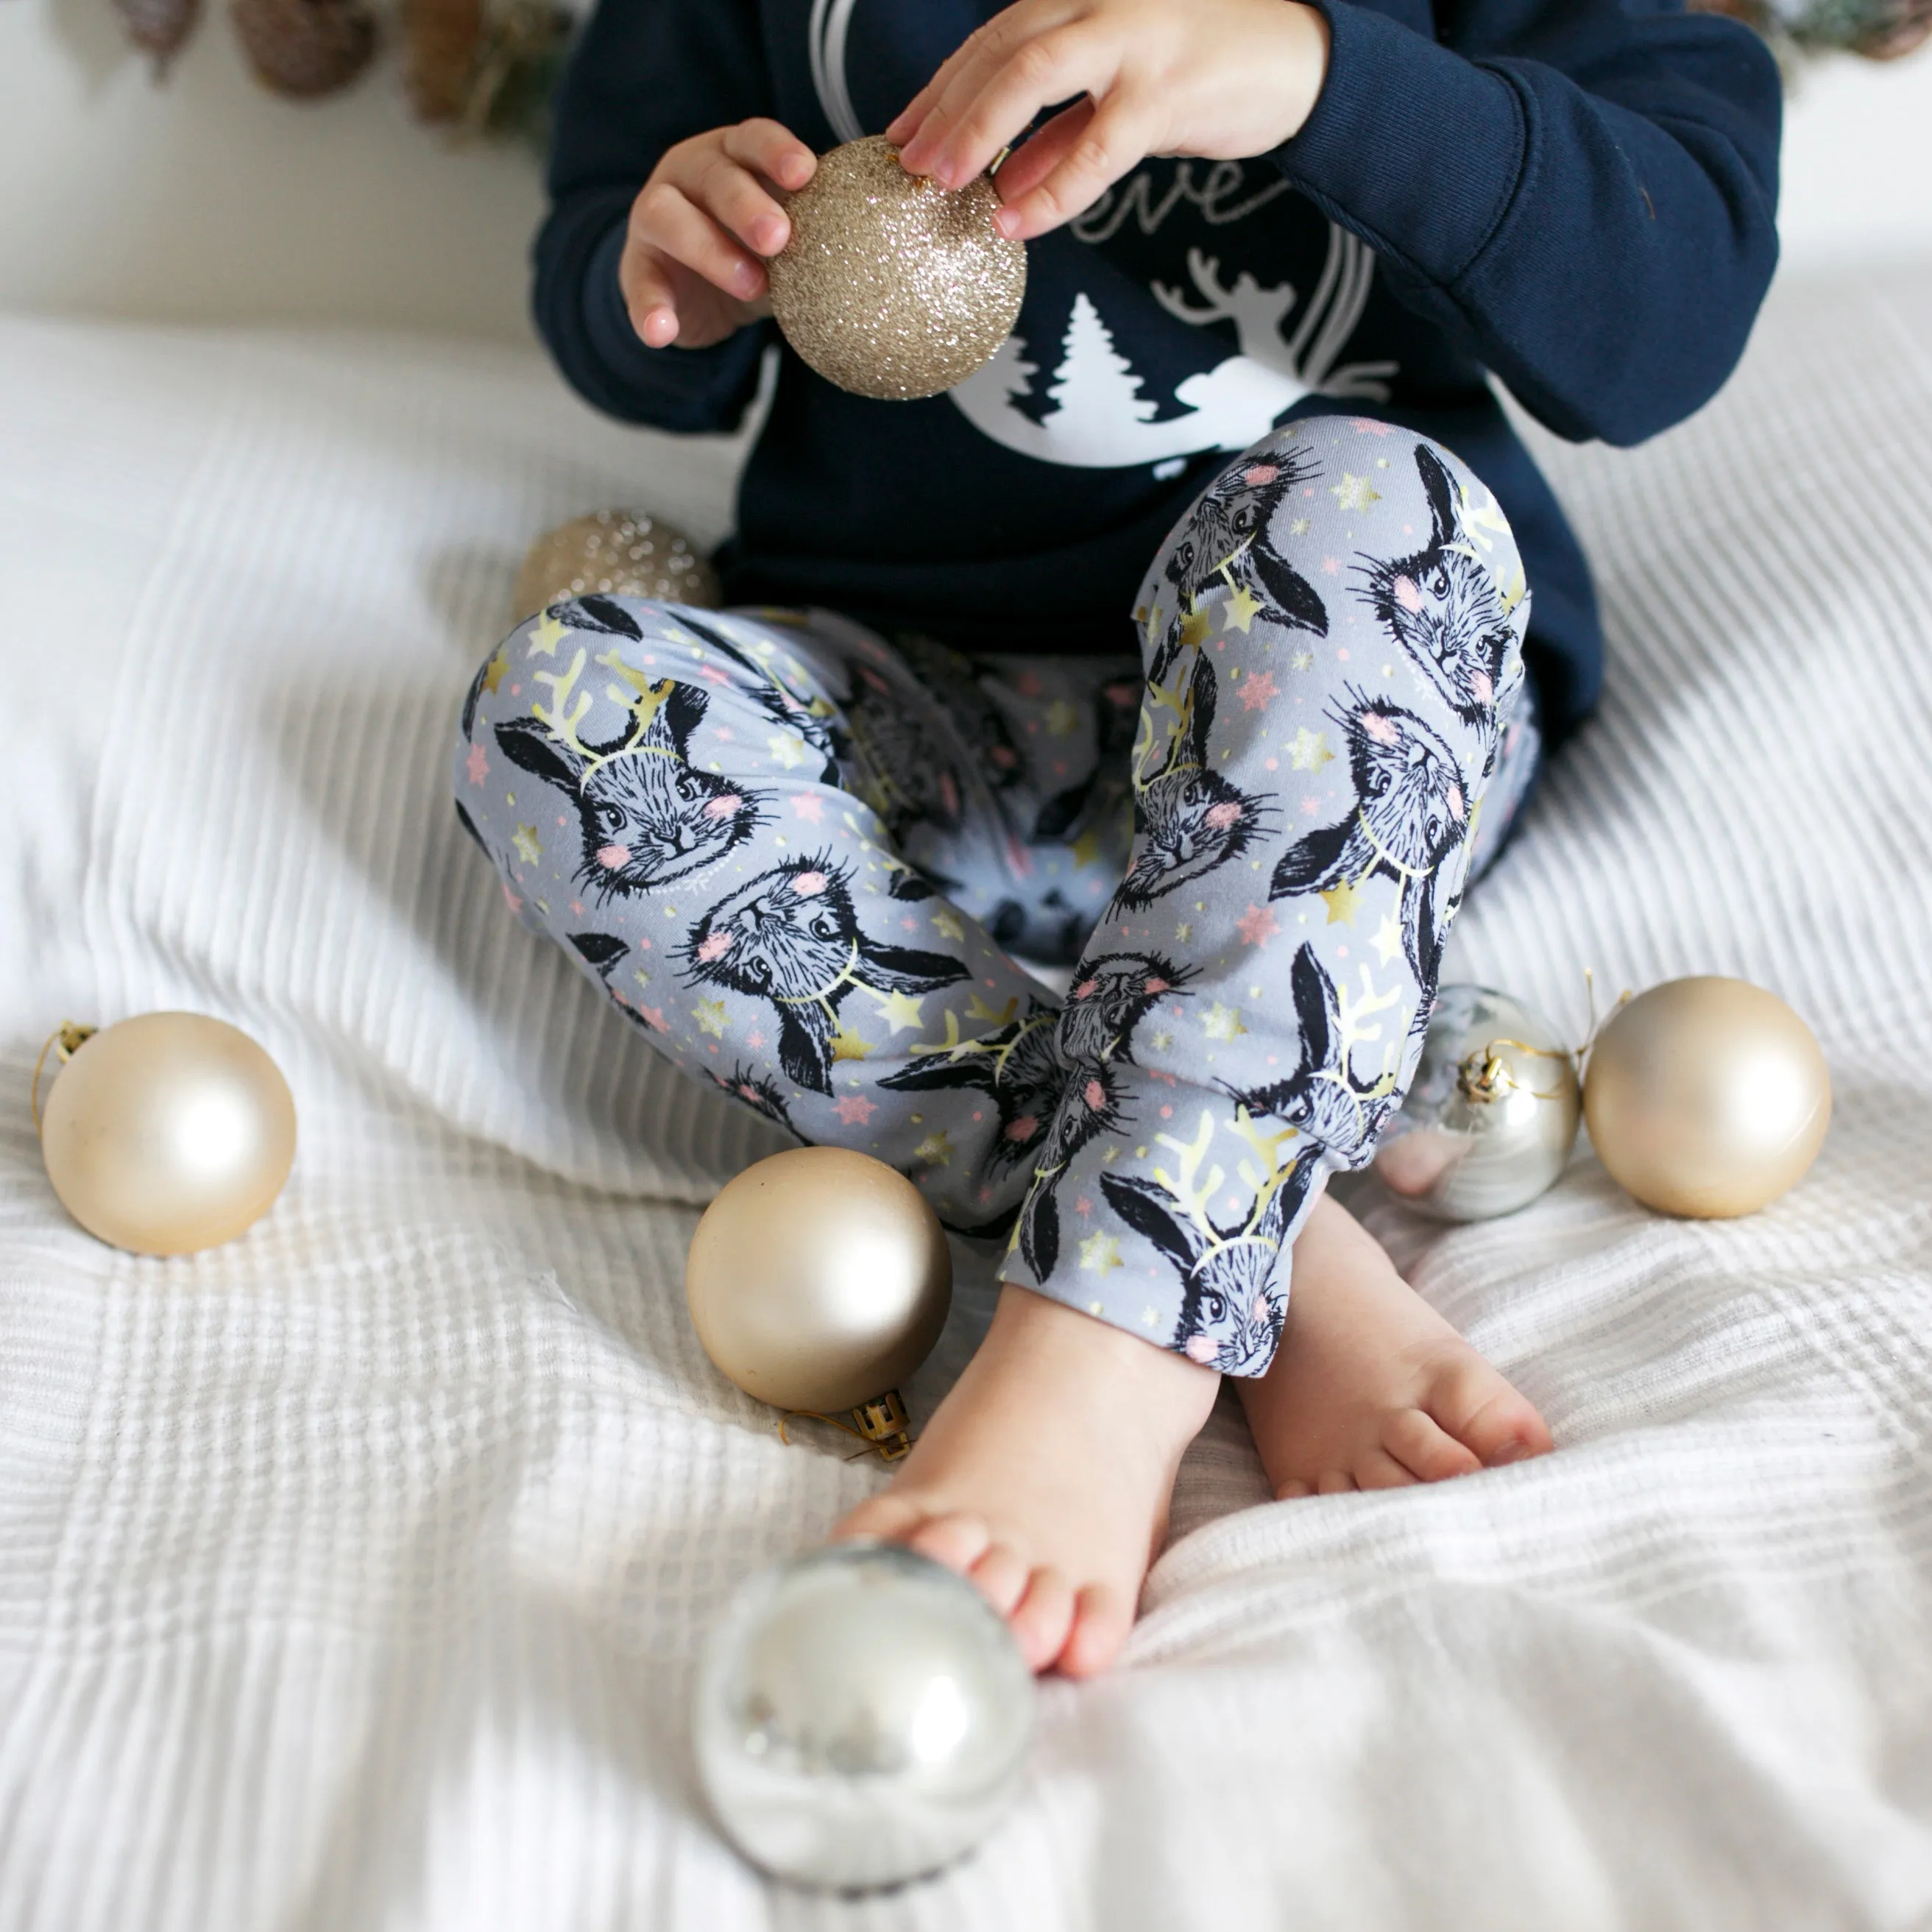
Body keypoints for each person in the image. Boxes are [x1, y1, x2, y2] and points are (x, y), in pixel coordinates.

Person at [454, 0, 1780, 1674]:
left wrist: (1312, 75)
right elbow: (607, 273)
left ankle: (1111, 1339)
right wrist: (665, 262)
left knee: (1382, 500)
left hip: (1332, 718)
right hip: (933, 733)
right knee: (564, 699)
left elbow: (1666, 310)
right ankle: (1242, 1223)